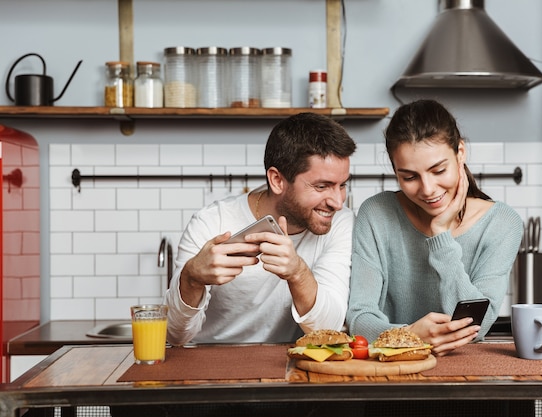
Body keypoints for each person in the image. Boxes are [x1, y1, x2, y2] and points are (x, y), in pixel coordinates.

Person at [346, 99, 523, 357]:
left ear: (460, 153)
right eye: (409, 177)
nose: (428, 190)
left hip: (468, 381)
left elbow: (477, 325)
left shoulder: (502, 223)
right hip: (390, 377)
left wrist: (441, 235)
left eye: (438, 170)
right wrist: (410, 336)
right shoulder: (376, 214)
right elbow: (359, 318)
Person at [165, 112, 357, 346]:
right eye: (322, 186)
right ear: (277, 180)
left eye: (342, 185)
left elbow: (329, 330)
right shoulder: (212, 222)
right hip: (209, 363)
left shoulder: (341, 223)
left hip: (288, 368)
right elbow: (174, 336)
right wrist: (191, 278)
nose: (338, 202)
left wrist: (297, 272)